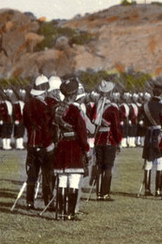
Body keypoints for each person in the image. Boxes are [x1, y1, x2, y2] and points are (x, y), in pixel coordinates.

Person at [51, 76, 91, 219]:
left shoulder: (56, 109)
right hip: (74, 147)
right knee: (74, 180)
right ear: (74, 94)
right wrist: (87, 150)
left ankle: (60, 213)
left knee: (62, 179)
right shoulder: (75, 110)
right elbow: (82, 133)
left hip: (61, 146)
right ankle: (70, 214)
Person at [22, 75, 54, 210]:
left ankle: (29, 202)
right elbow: (46, 128)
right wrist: (48, 144)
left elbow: (26, 124)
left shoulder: (27, 105)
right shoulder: (45, 106)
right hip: (43, 144)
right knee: (47, 175)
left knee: (32, 175)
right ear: (45, 90)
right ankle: (48, 202)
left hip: (31, 143)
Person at [91, 79, 123, 201]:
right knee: (108, 167)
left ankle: (99, 193)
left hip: (98, 139)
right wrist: (118, 141)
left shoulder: (96, 106)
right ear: (110, 93)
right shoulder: (113, 108)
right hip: (109, 140)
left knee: (99, 166)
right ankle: (105, 193)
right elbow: (116, 127)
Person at [139, 75, 162, 196]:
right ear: (161, 94)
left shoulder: (145, 106)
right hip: (160, 136)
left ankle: (147, 190)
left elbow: (140, 122)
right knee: (160, 162)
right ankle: (158, 190)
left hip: (148, 135)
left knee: (148, 162)